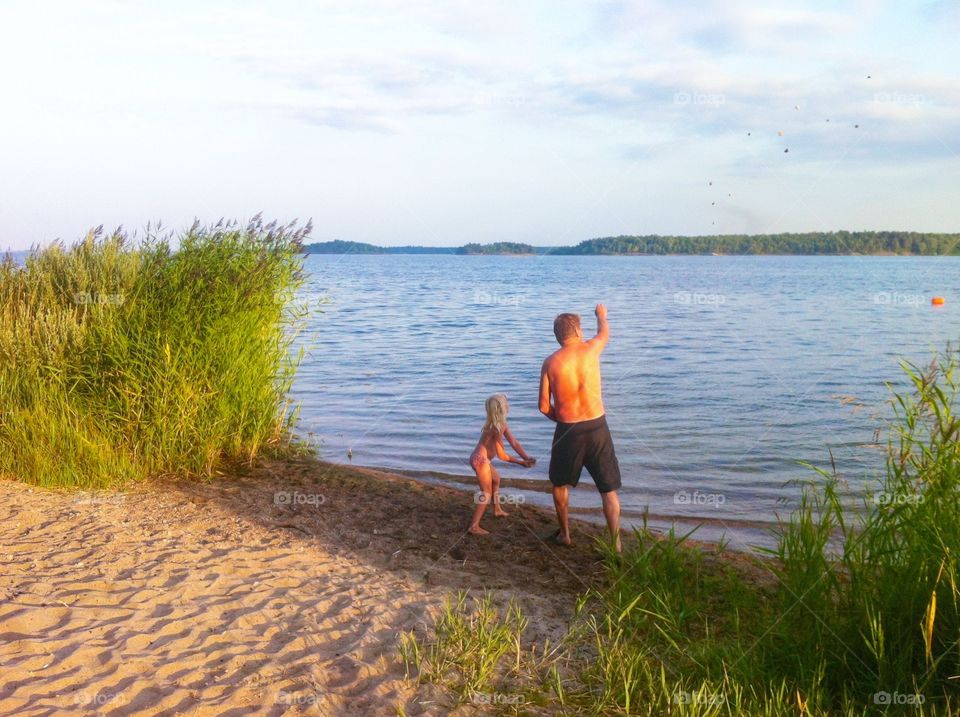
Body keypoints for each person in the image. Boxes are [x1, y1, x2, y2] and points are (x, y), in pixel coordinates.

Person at [539, 304, 622, 551]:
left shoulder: (550, 362)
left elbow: (544, 407)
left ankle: (565, 534)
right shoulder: (591, 349)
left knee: (559, 484)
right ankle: (616, 544)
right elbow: (605, 333)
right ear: (577, 330)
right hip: (597, 427)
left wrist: (565, 421)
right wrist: (602, 315)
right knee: (608, 490)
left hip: (568, 430)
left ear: (558, 335)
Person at [468, 394, 536, 535]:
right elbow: (502, 456)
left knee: (496, 479)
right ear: (502, 408)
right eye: (506, 403)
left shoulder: (498, 424)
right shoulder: (496, 428)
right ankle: (473, 527)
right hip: (481, 461)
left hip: (479, 458)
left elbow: (514, 442)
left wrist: (526, 457)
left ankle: (497, 509)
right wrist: (520, 463)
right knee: (486, 493)